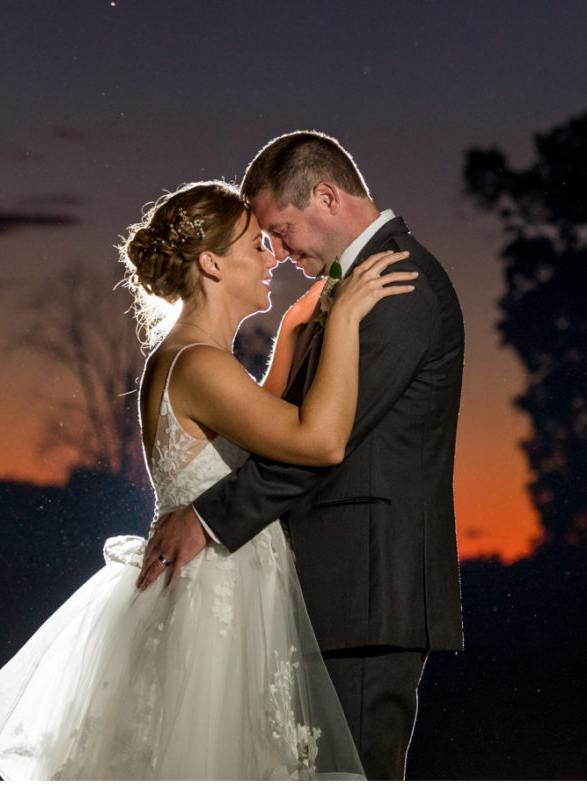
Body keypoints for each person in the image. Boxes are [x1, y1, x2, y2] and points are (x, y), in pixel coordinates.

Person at [0, 178, 417, 779]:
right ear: (211, 263)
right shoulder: (200, 365)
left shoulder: (187, 357)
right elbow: (318, 441)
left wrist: (290, 340)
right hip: (219, 595)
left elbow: (251, 428)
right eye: (256, 244)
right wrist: (347, 319)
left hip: (218, 582)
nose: (273, 255)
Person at [139, 131, 466, 780]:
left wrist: (205, 519)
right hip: (316, 594)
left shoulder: (395, 283)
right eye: (263, 244)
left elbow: (319, 447)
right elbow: (289, 428)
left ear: (325, 195)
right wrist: (307, 329)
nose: (279, 255)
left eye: (281, 233)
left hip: (365, 590)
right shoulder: (339, 297)